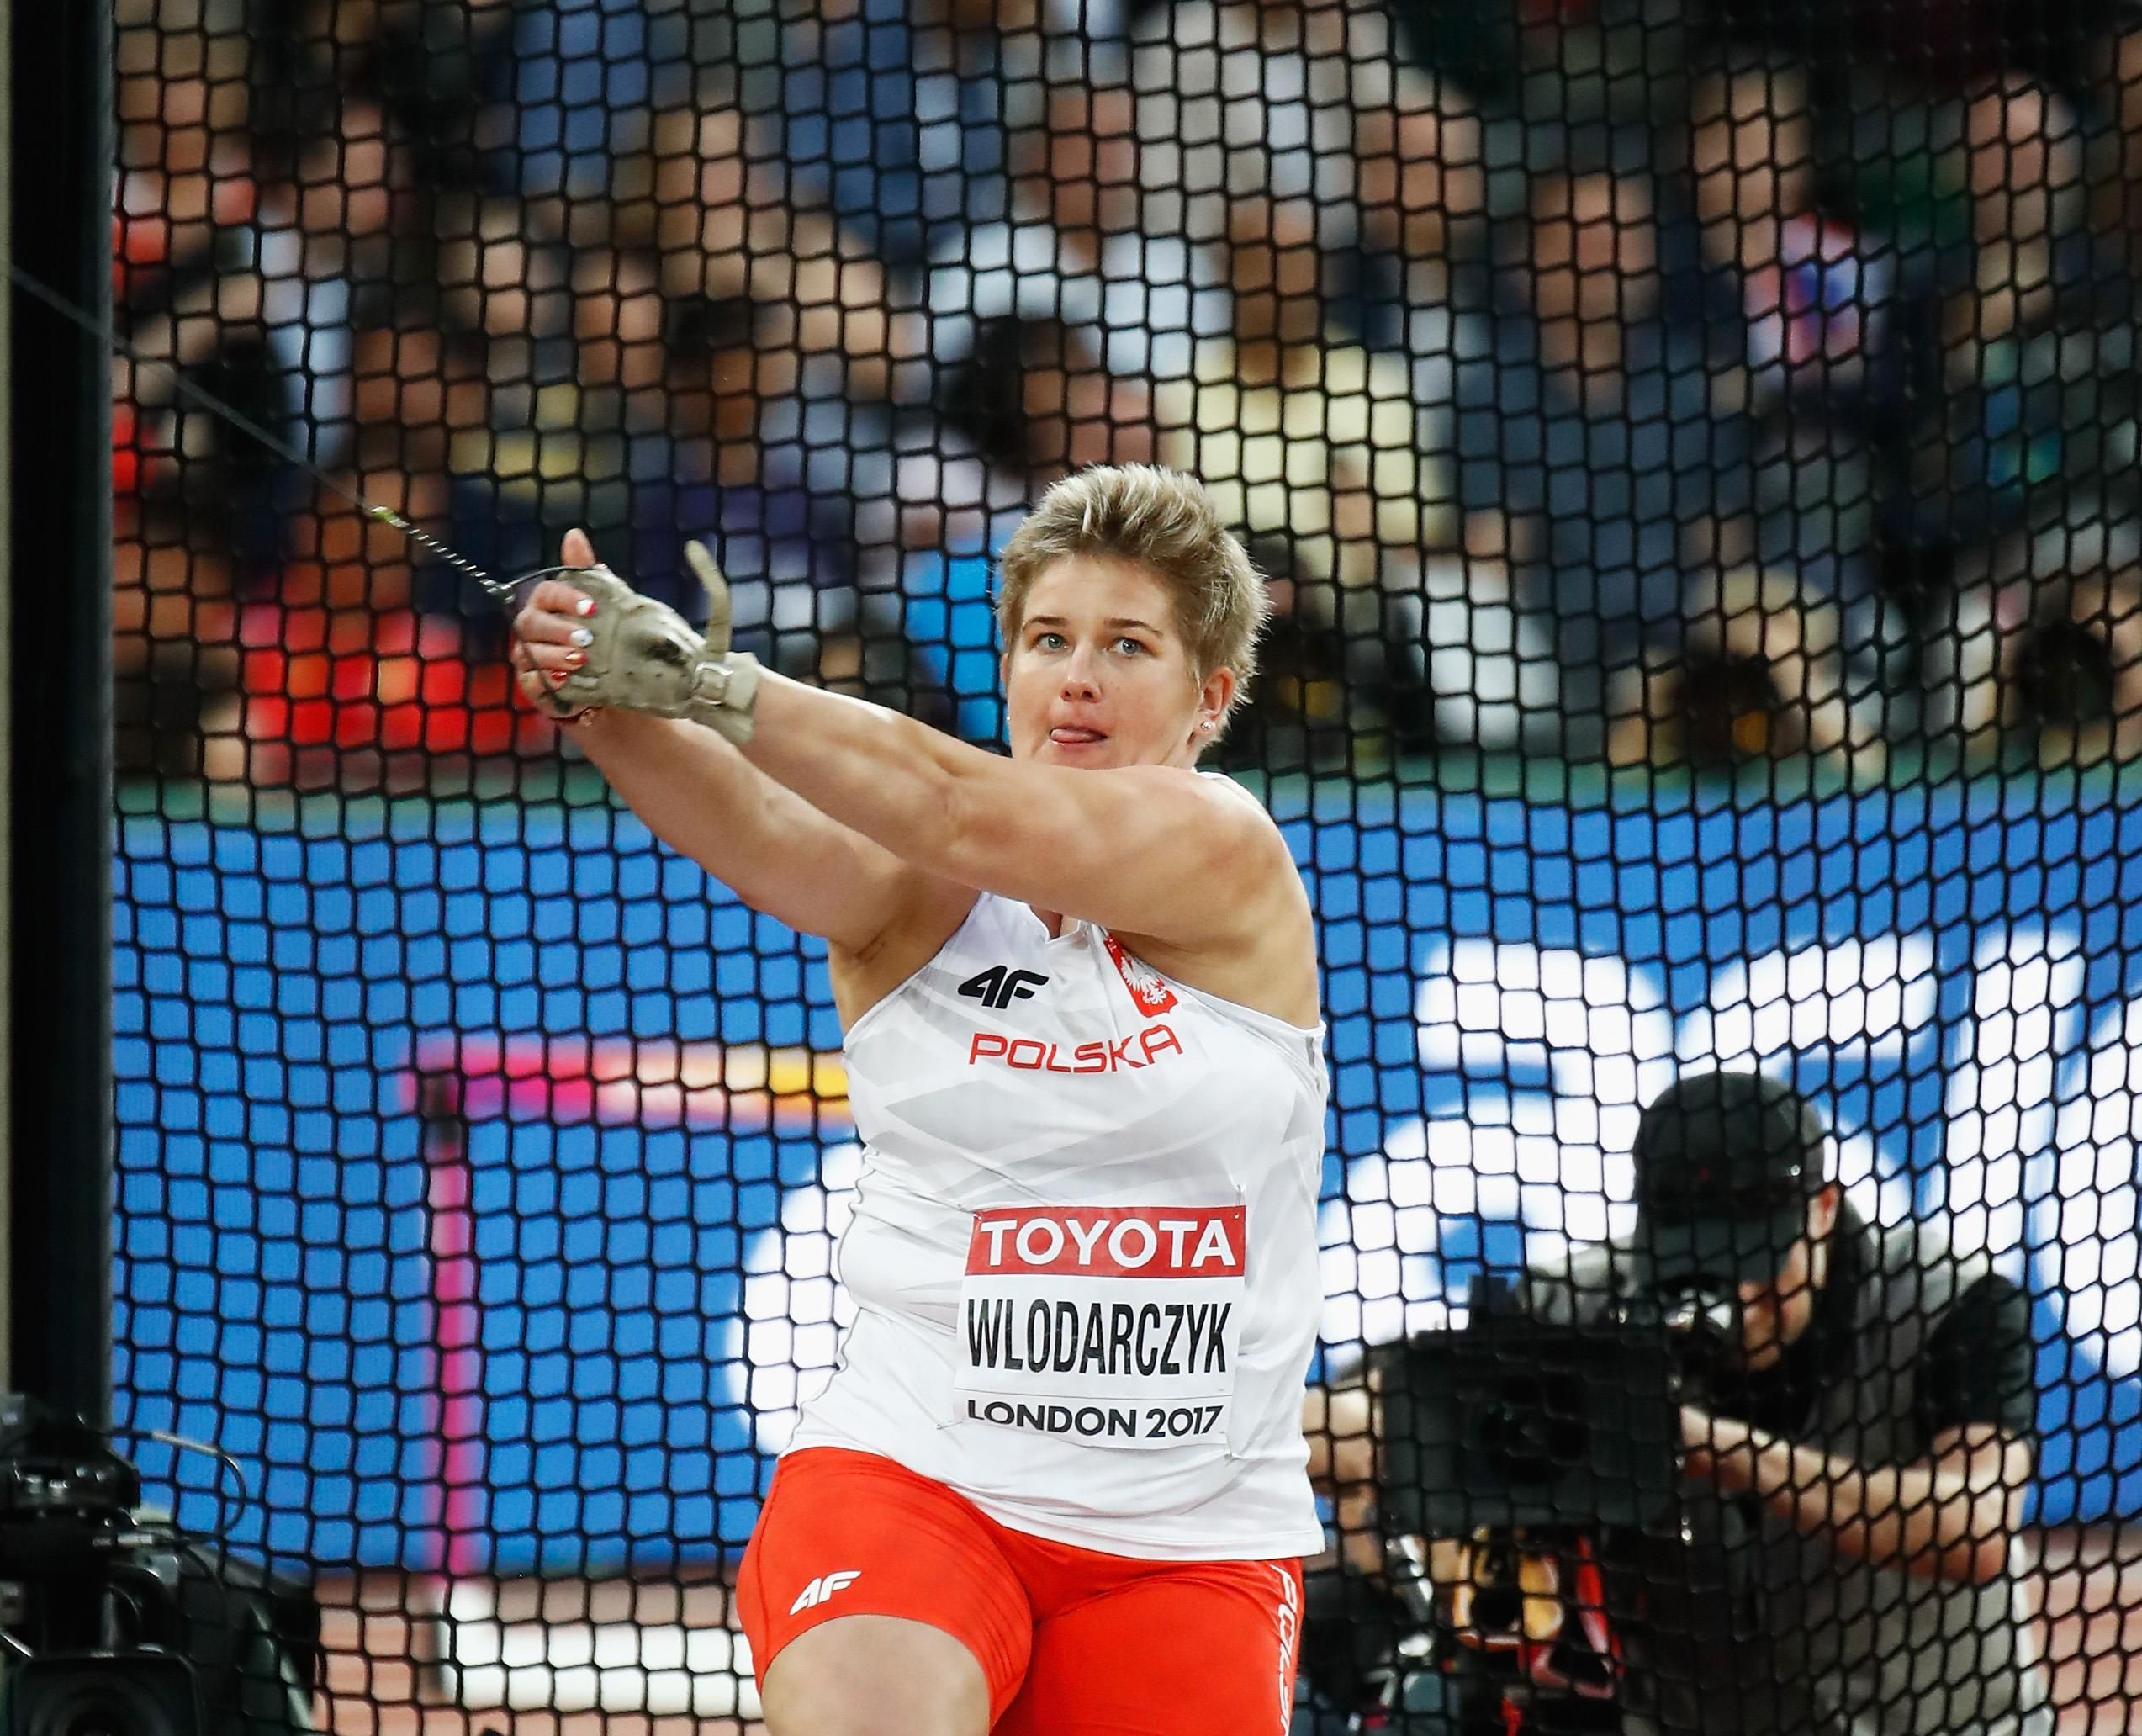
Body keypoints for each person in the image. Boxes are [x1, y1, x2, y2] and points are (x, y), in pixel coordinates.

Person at [508, 464, 1328, 1735]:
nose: (1077, 677)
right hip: (913, 1482)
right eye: (1048, 640)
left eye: (1127, 647)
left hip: (1187, 1535)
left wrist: (715, 682)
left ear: (1209, 698)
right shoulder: (916, 896)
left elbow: (959, 803)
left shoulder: (1225, 856)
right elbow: (747, 816)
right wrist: (598, 689)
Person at [1507, 1071, 2049, 1736]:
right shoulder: (1575, 1311)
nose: (1736, 1296)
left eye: (1759, 1258)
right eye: (1695, 1263)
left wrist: (1712, 1449)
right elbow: (1387, 1425)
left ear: (1823, 1210)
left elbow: (1973, 1528)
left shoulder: (1947, 1300)